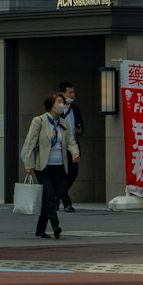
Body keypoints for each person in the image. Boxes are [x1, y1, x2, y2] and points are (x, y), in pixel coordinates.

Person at [21, 91, 80, 240]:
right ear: (51, 105)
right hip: (43, 166)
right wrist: (29, 165)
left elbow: (71, 141)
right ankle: (55, 225)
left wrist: (74, 152)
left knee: (55, 196)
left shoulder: (63, 123)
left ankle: (40, 229)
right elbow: (31, 144)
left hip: (60, 166)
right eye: (59, 102)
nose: (62, 105)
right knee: (48, 194)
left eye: (63, 103)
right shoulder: (39, 121)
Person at [57, 79, 84, 210]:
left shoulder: (76, 109)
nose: (72, 95)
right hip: (59, 147)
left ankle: (57, 195)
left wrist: (80, 129)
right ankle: (67, 202)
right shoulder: (56, 109)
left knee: (73, 172)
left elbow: (81, 125)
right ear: (62, 94)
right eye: (69, 93)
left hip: (73, 145)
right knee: (62, 174)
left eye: (73, 93)